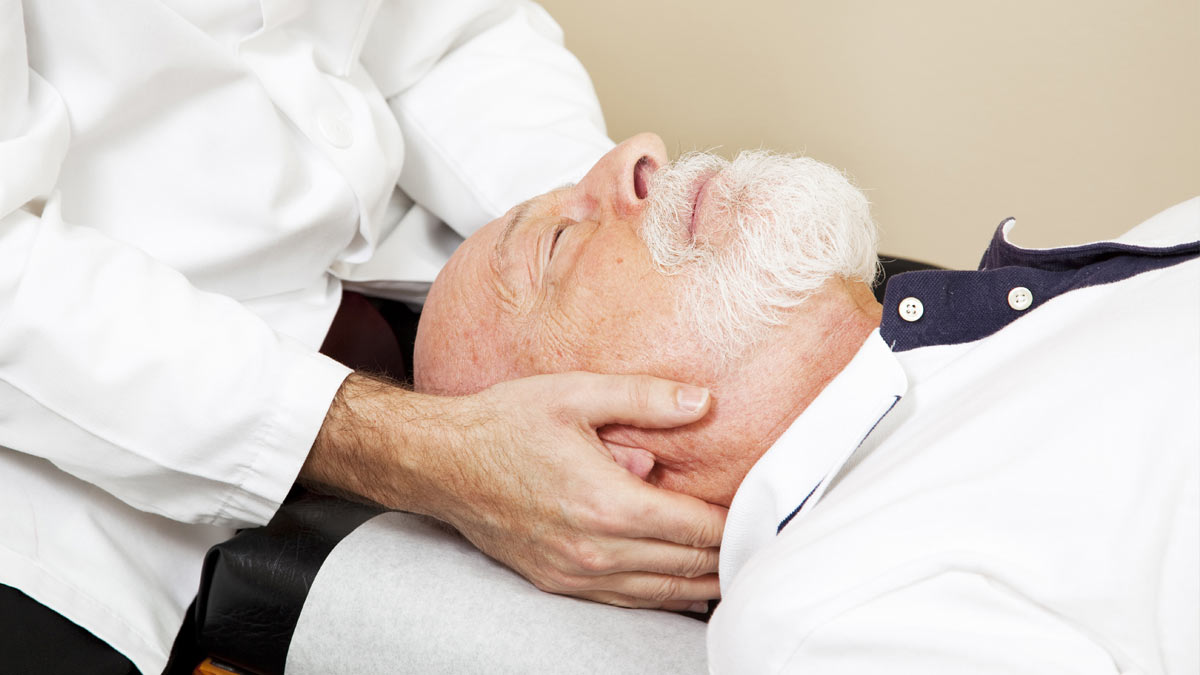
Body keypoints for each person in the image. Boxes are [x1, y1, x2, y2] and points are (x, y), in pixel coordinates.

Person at [0, 5, 725, 674]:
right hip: (52, 466)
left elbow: (445, 33)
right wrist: (421, 449)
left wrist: (600, 251)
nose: (646, 161)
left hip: (381, 281)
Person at [414, 132, 1200, 673]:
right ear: (598, 469)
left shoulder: (1012, 340)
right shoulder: (824, 618)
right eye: (555, 243)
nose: (635, 153)